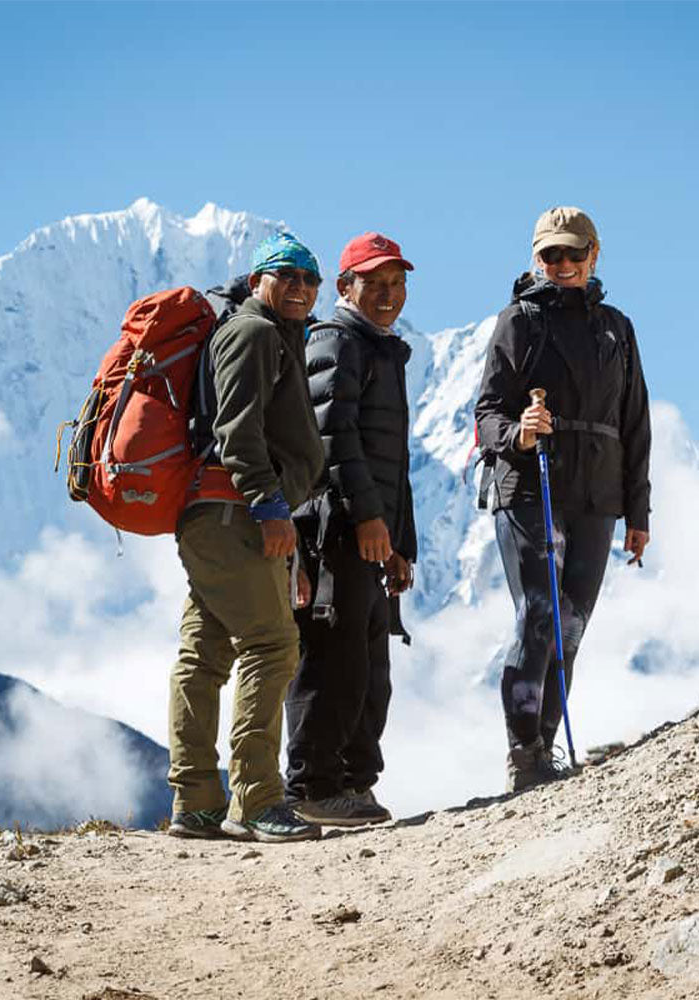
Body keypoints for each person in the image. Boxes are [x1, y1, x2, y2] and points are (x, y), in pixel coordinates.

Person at [474, 206, 651, 792]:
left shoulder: (617, 330)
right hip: (530, 485)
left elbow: (635, 423)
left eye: (575, 253)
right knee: (540, 615)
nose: (565, 264)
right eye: (552, 254)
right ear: (536, 258)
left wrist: (638, 512)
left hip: (597, 493)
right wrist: (518, 432)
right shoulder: (518, 323)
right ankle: (522, 753)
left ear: (595, 255)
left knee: (571, 624)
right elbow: (486, 413)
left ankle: (544, 748)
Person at [167, 232, 327, 843]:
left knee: (204, 654)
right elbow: (238, 431)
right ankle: (257, 799)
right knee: (272, 644)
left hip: (220, 515)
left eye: (309, 280)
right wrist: (269, 506)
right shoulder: (254, 333)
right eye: (286, 275)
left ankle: (197, 802)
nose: (300, 288)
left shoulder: (271, 334)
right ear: (258, 279)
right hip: (236, 511)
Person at [284, 232, 418, 826]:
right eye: (374, 283)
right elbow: (332, 438)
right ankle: (312, 785)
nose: (389, 294)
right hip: (335, 528)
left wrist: (400, 541)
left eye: (397, 283)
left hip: (371, 533)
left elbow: (395, 460)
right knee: (331, 659)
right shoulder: (336, 342)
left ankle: (354, 784)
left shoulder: (382, 349)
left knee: (369, 667)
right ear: (345, 287)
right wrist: (367, 518)